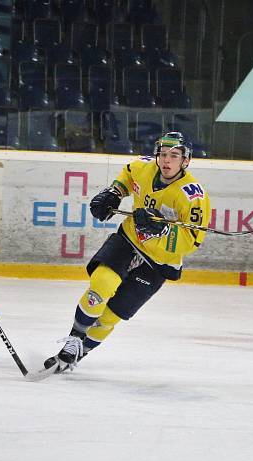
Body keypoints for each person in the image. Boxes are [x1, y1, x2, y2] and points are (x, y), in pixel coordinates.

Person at [44, 132, 210, 373]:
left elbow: (192, 241)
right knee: (101, 284)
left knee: (112, 314)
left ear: (186, 161)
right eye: (163, 154)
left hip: (159, 262)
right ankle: (73, 340)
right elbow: (128, 176)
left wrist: (160, 230)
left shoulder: (194, 196)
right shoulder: (143, 167)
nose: (166, 160)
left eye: (174, 156)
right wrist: (114, 193)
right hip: (129, 240)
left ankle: (81, 351)